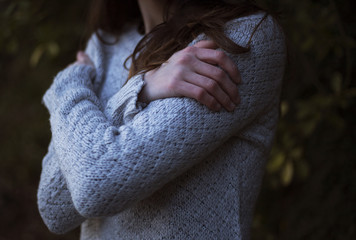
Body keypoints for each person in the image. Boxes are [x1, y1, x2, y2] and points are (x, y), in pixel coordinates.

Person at [37, 0, 286, 239]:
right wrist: (141, 89)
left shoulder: (243, 37)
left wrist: (67, 86)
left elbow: (96, 184)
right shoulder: (104, 47)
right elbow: (53, 207)